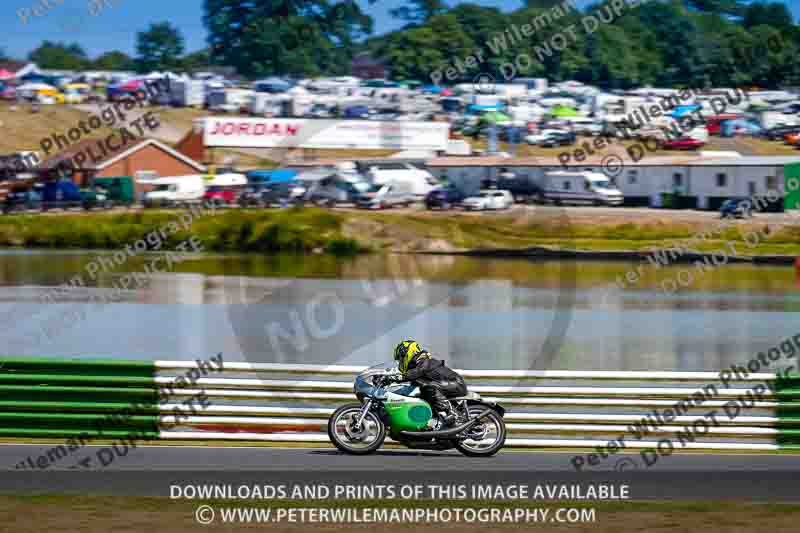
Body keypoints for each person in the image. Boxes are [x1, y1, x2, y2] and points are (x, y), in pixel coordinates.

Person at [390, 340, 468, 429]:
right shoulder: (415, 365)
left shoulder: (424, 361)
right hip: (447, 385)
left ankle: (451, 414)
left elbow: (418, 371)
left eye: (401, 357)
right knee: (419, 392)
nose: (400, 361)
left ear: (409, 352)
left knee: (430, 387)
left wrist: (397, 377)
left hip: (456, 383)